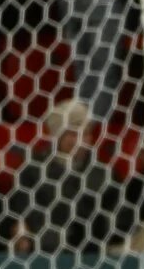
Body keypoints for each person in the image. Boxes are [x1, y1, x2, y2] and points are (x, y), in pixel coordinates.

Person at [13, 99, 112, 251]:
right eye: (73, 133)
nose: (81, 140)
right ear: (57, 136)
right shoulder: (33, 171)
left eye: (86, 133)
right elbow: (26, 214)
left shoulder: (101, 173)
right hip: (49, 252)